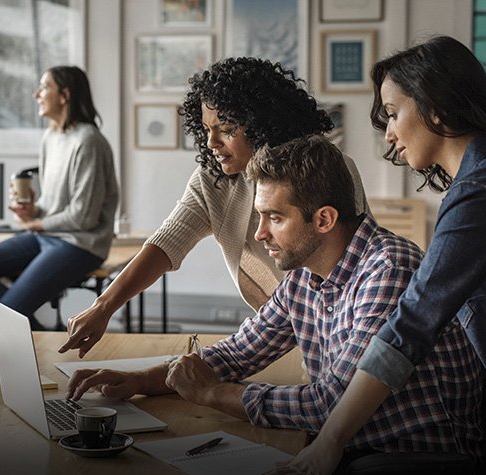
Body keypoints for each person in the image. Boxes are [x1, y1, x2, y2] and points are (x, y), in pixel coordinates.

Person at [66, 135, 485, 475]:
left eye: (275, 218)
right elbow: (239, 352)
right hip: (351, 452)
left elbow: (329, 406)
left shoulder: (388, 270)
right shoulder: (307, 272)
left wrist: (213, 396)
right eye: (260, 216)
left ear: (323, 219)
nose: (261, 233)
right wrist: (143, 380)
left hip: (405, 469)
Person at [254, 36, 486, 475]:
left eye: (394, 112)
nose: (389, 135)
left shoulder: (484, 191)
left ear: (436, 108)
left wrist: (330, 441)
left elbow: (412, 324)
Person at [60, 57, 369, 358]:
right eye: (207, 129)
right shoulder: (214, 179)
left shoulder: (324, 169)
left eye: (226, 128)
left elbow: (348, 268)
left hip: (339, 326)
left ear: (263, 123)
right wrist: (103, 307)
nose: (211, 142)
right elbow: (167, 242)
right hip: (277, 329)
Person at [0, 66, 118, 330]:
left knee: (9, 312)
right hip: (48, 236)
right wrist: (33, 210)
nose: (36, 94)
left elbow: (84, 216)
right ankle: (37, 335)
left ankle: (24, 333)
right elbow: (53, 205)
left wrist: (37, 224)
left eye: (44, 87)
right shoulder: (51, 137)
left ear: (65, 95)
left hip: (80, 244)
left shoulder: (89, 141)